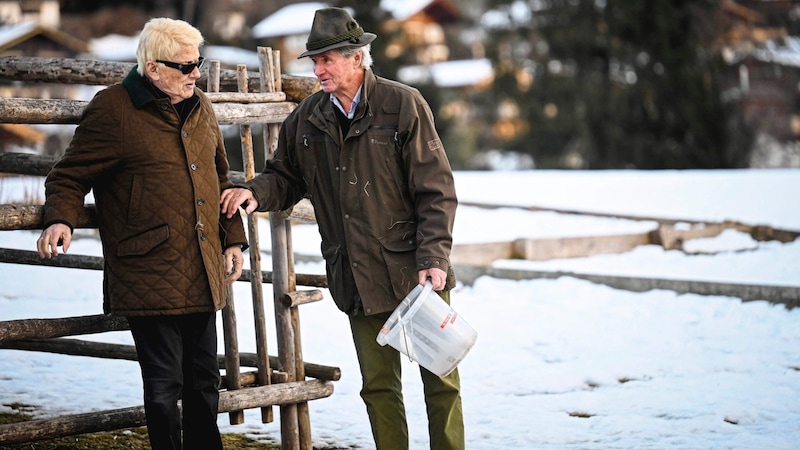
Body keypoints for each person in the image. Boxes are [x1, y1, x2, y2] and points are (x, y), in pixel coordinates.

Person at [220, 7, 464, 450]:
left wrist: (434, 258)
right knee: (378, 388)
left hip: (414, 271)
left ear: (357, 58)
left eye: (327, 59)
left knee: (441, 381)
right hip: (355, 275)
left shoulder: (402, 104)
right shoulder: (308, 118)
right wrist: (255, 192)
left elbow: (436, 190)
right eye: (314, 61)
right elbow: (285, 176)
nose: (318, 69)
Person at [37, 17, 248, 450]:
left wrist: (233, 238)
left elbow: (220, 179)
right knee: (164, 386)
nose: (196, 74)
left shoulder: (201, 105)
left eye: (199, 64)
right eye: (186, 66)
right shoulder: (113, 108)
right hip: (147, 269)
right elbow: (69, 176)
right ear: (153, 68)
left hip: (203, 267)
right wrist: (61, 219)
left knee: (206, 382)